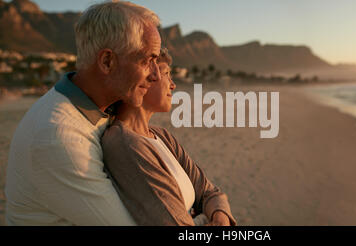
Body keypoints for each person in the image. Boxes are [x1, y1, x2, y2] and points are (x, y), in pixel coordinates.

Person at [5, 1, 161, 225]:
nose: (156, 75)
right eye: (147, 60)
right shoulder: (59, 136)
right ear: (107, 61)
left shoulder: (103, 109)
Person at [101, 49, 236, 226]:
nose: (172, 84)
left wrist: (220, 217)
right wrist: (204, 218)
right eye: (166, 73)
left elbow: (210, 192)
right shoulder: (125, 144)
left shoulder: (161, 136)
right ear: (144, 78)